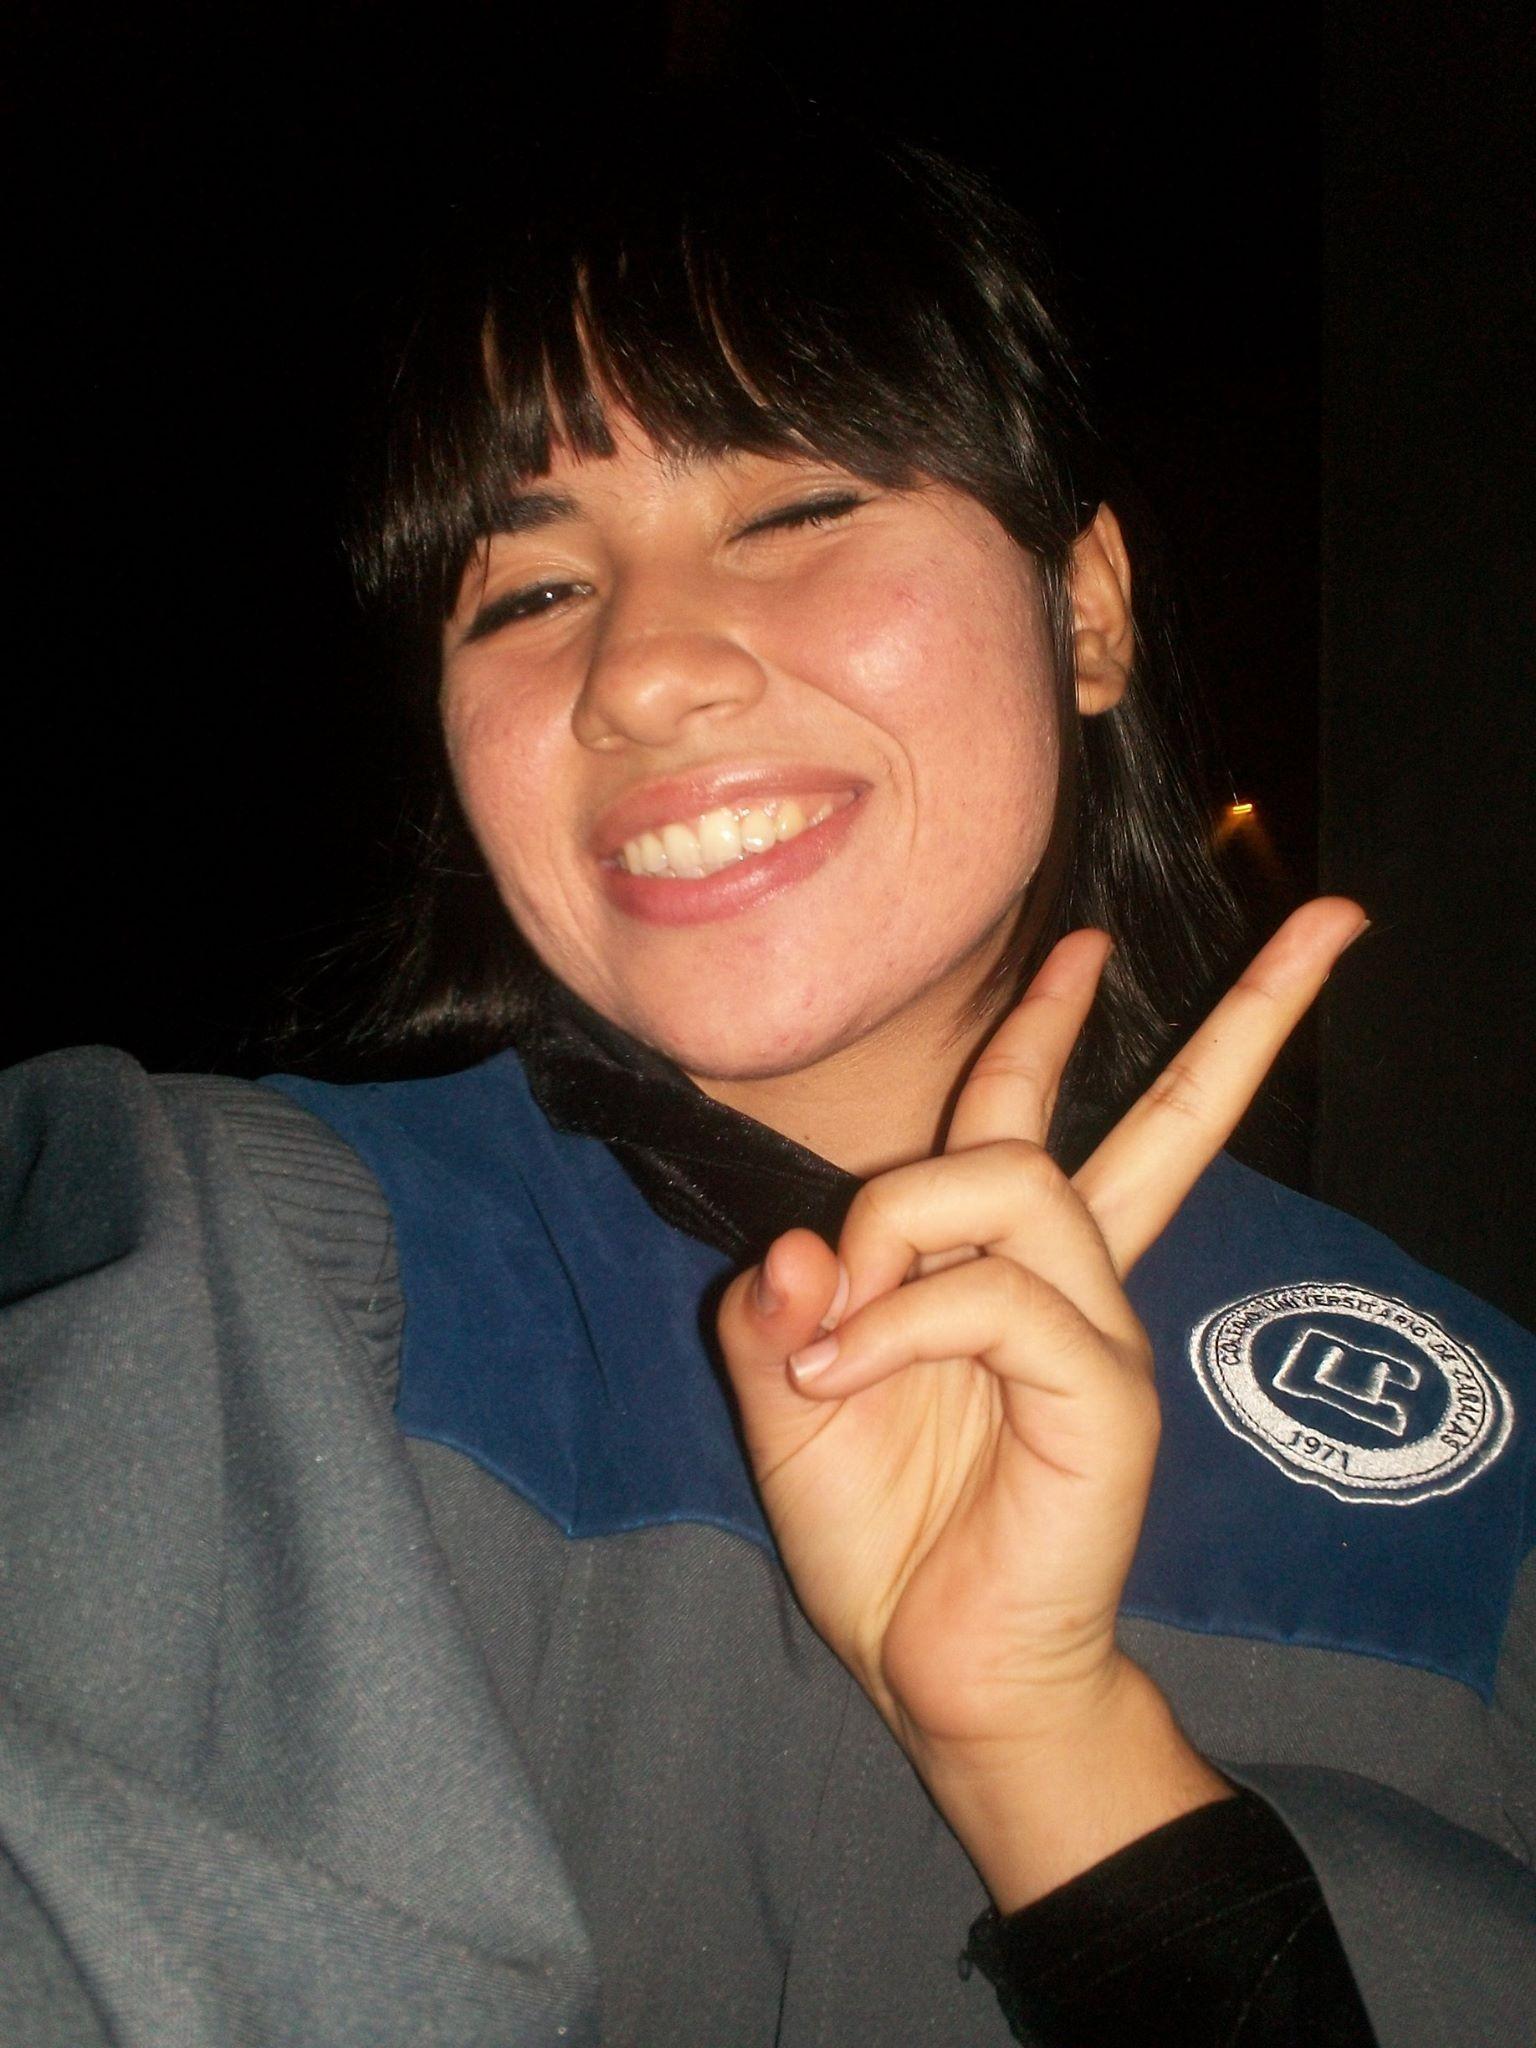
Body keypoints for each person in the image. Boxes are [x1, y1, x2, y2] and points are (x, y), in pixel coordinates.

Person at [1, 98, 1532, 2048]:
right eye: (527, 592)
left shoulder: (1482, 1463)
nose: (641, 669)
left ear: (1085, 610)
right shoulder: (224, 1277)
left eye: (796, 511)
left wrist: (1058, 1761)